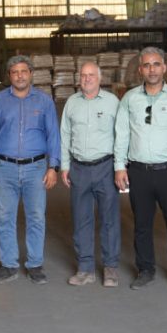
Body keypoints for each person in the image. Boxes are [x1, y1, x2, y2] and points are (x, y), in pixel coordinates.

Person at [113, 47, 167, 291]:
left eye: (156, 64)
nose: (152, 69)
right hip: (139, 172)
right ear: (140, 70)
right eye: (147, 65)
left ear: (164, 68)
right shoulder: (130, 99)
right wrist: (119, 167)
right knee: (142, 225)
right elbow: (121, 134)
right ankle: (145, 270)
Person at [0, 55, 60, 285]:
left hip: (36, 168)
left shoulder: (44, 101)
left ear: (31, 74)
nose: (20, 76)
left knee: (36, 217)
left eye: (24, 71)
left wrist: (53, 167)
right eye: (15, 72)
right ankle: (9, 265)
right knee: (5, 217)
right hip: (4, 168)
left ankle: (35, 264)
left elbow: (53, 135)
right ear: (9, 75)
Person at [60, 62, 121, 288]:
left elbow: (122, 135)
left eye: (91, 75)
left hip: (106, 167)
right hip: (79, 168)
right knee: (81, 219)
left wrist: (120, 167)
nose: (87, 79)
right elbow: (64, 135)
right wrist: (64, 166)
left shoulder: (112, 102)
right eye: (83, 75)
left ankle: (110, 268)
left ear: (99, 78)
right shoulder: (71, 103)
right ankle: (85, 268)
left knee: (109, 219)